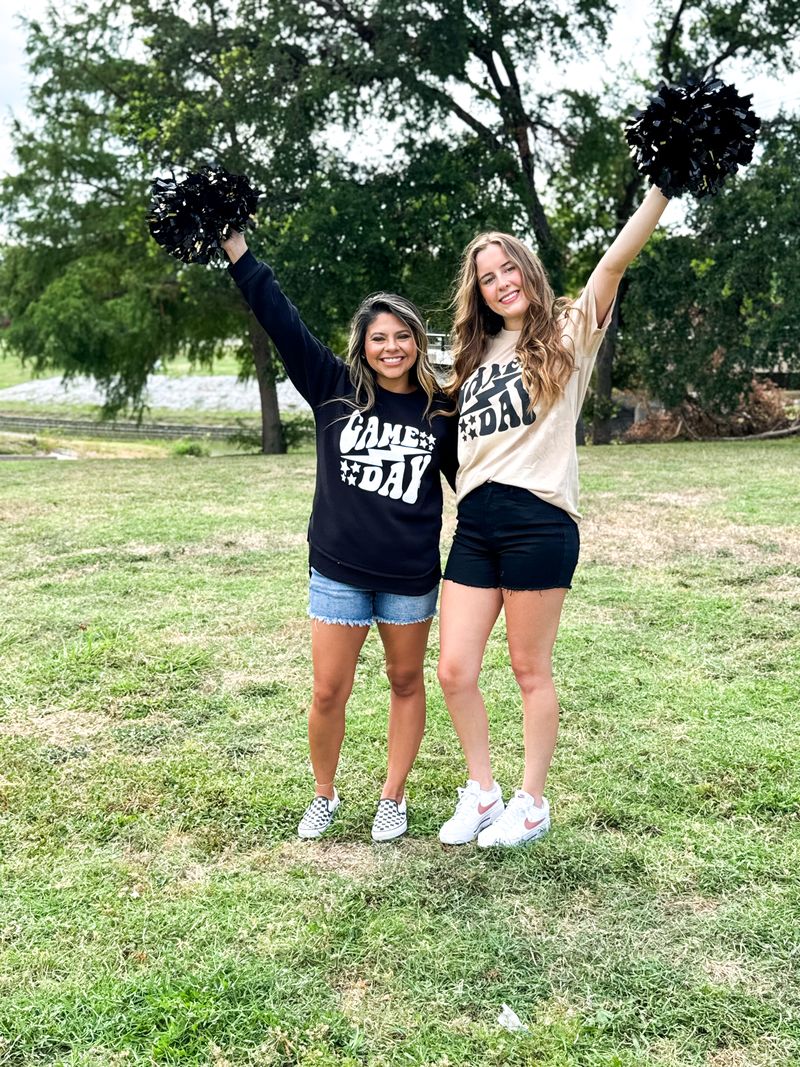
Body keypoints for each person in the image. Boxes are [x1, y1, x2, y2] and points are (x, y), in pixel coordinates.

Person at [436, 187, 670, 848]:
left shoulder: (568, 330)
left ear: (528, 272)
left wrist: (661, 187)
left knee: (528, 668)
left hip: (539, 519)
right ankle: (483, 793)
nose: (501, 281)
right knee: (454, 667)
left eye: (510, 268)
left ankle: (530, 803)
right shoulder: (472, 358)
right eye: (488, 277)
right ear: (478, 292)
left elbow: (615, 261)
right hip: (475, 522)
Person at [222, 231, 457, 842]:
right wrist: (235, 247)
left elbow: (476, 482)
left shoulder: (440, 411)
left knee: (407, 683)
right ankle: (323, 793)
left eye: (403, 335)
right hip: (337, 571)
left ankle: (392, 797)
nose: (392, 347)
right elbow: (280, 316)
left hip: (409, 576)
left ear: (418, 343)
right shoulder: (334, 390)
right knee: (329, 690)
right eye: (379, 337)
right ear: (363, 345)